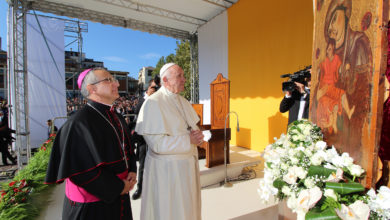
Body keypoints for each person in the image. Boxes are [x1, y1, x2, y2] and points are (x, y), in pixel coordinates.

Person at [45, 67, 137, 220]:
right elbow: (81, 171)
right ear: (91, 88)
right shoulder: (78, 123)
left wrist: (132, 170)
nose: (117, 84)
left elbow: (127, 148)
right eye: (109, 80)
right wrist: (119, 187)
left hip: (120, 195)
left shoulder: (116, 116)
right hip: (92, 206)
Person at [135, 63, 204, 220]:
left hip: (187, 169)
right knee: (170, 212)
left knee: (188, 211)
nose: (184, 79)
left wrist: (197, 137)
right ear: (165, 80)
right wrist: (189, 140)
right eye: (179, 76)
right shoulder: (153, 103)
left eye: (183, 76)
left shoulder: (184, 102)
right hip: (168, 173)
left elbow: (190, 128)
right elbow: (157, 145)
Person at [316, 38, 355, 133]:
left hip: (332, 87)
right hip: (326, 87)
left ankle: (348, 112)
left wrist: (345, 68)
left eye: (329, 49)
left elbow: (340, 69)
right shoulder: (324, 61)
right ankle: (333, 125)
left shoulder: (337, 58)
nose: (328, 51)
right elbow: (319, 71)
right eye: (327, 49)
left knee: (342, 95)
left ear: (333, 48)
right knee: (335, 102)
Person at [131, 78, 159, 200]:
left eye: (157, 88)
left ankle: (155, 188)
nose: (155, 90)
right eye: (153, 87)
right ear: (148, 88)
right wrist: (148, 97)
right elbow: (137, 111)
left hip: (157, 137)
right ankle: (140, 188)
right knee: (142, 164)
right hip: (143, 139)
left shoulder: (160, 100)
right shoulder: (143, 99)